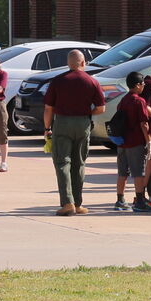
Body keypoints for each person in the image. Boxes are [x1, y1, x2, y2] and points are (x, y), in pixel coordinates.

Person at [42, 50, 106, 216]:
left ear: (68, 63)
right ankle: (77, 203)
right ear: (83, 63)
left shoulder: (57, 81)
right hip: (83, 123)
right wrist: (87, 112)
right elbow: (101, 108)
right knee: (79, 163)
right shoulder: (92, 81)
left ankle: (67, 202)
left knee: (63, 162)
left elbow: (48, 108)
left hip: (62, 122)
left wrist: (47, 128)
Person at [114, 70, 151, 212]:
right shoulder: (139, 101)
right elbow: (144, 123)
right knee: (139, 173)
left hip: (122, 142)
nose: (143, 86)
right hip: (135, 142)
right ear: (137, 85)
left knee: (122, 172)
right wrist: (148, 141)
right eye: (143, 84)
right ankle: (139, 201)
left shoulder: (123, 100)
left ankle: (120, 200)